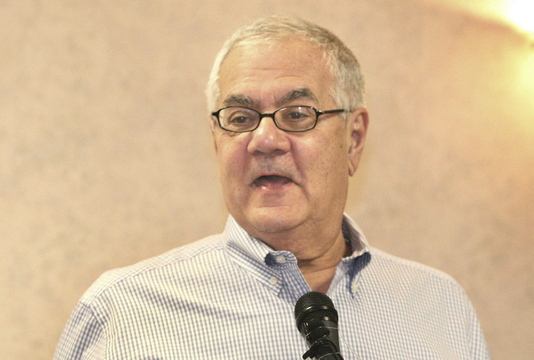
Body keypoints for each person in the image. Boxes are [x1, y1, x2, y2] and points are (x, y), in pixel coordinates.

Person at [54, 15, 490, 359]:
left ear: (353, 139)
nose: (264, 140)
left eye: (297, 114)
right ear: (217, 142)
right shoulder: (122, 312)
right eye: (240, 119)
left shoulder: (441, 305)